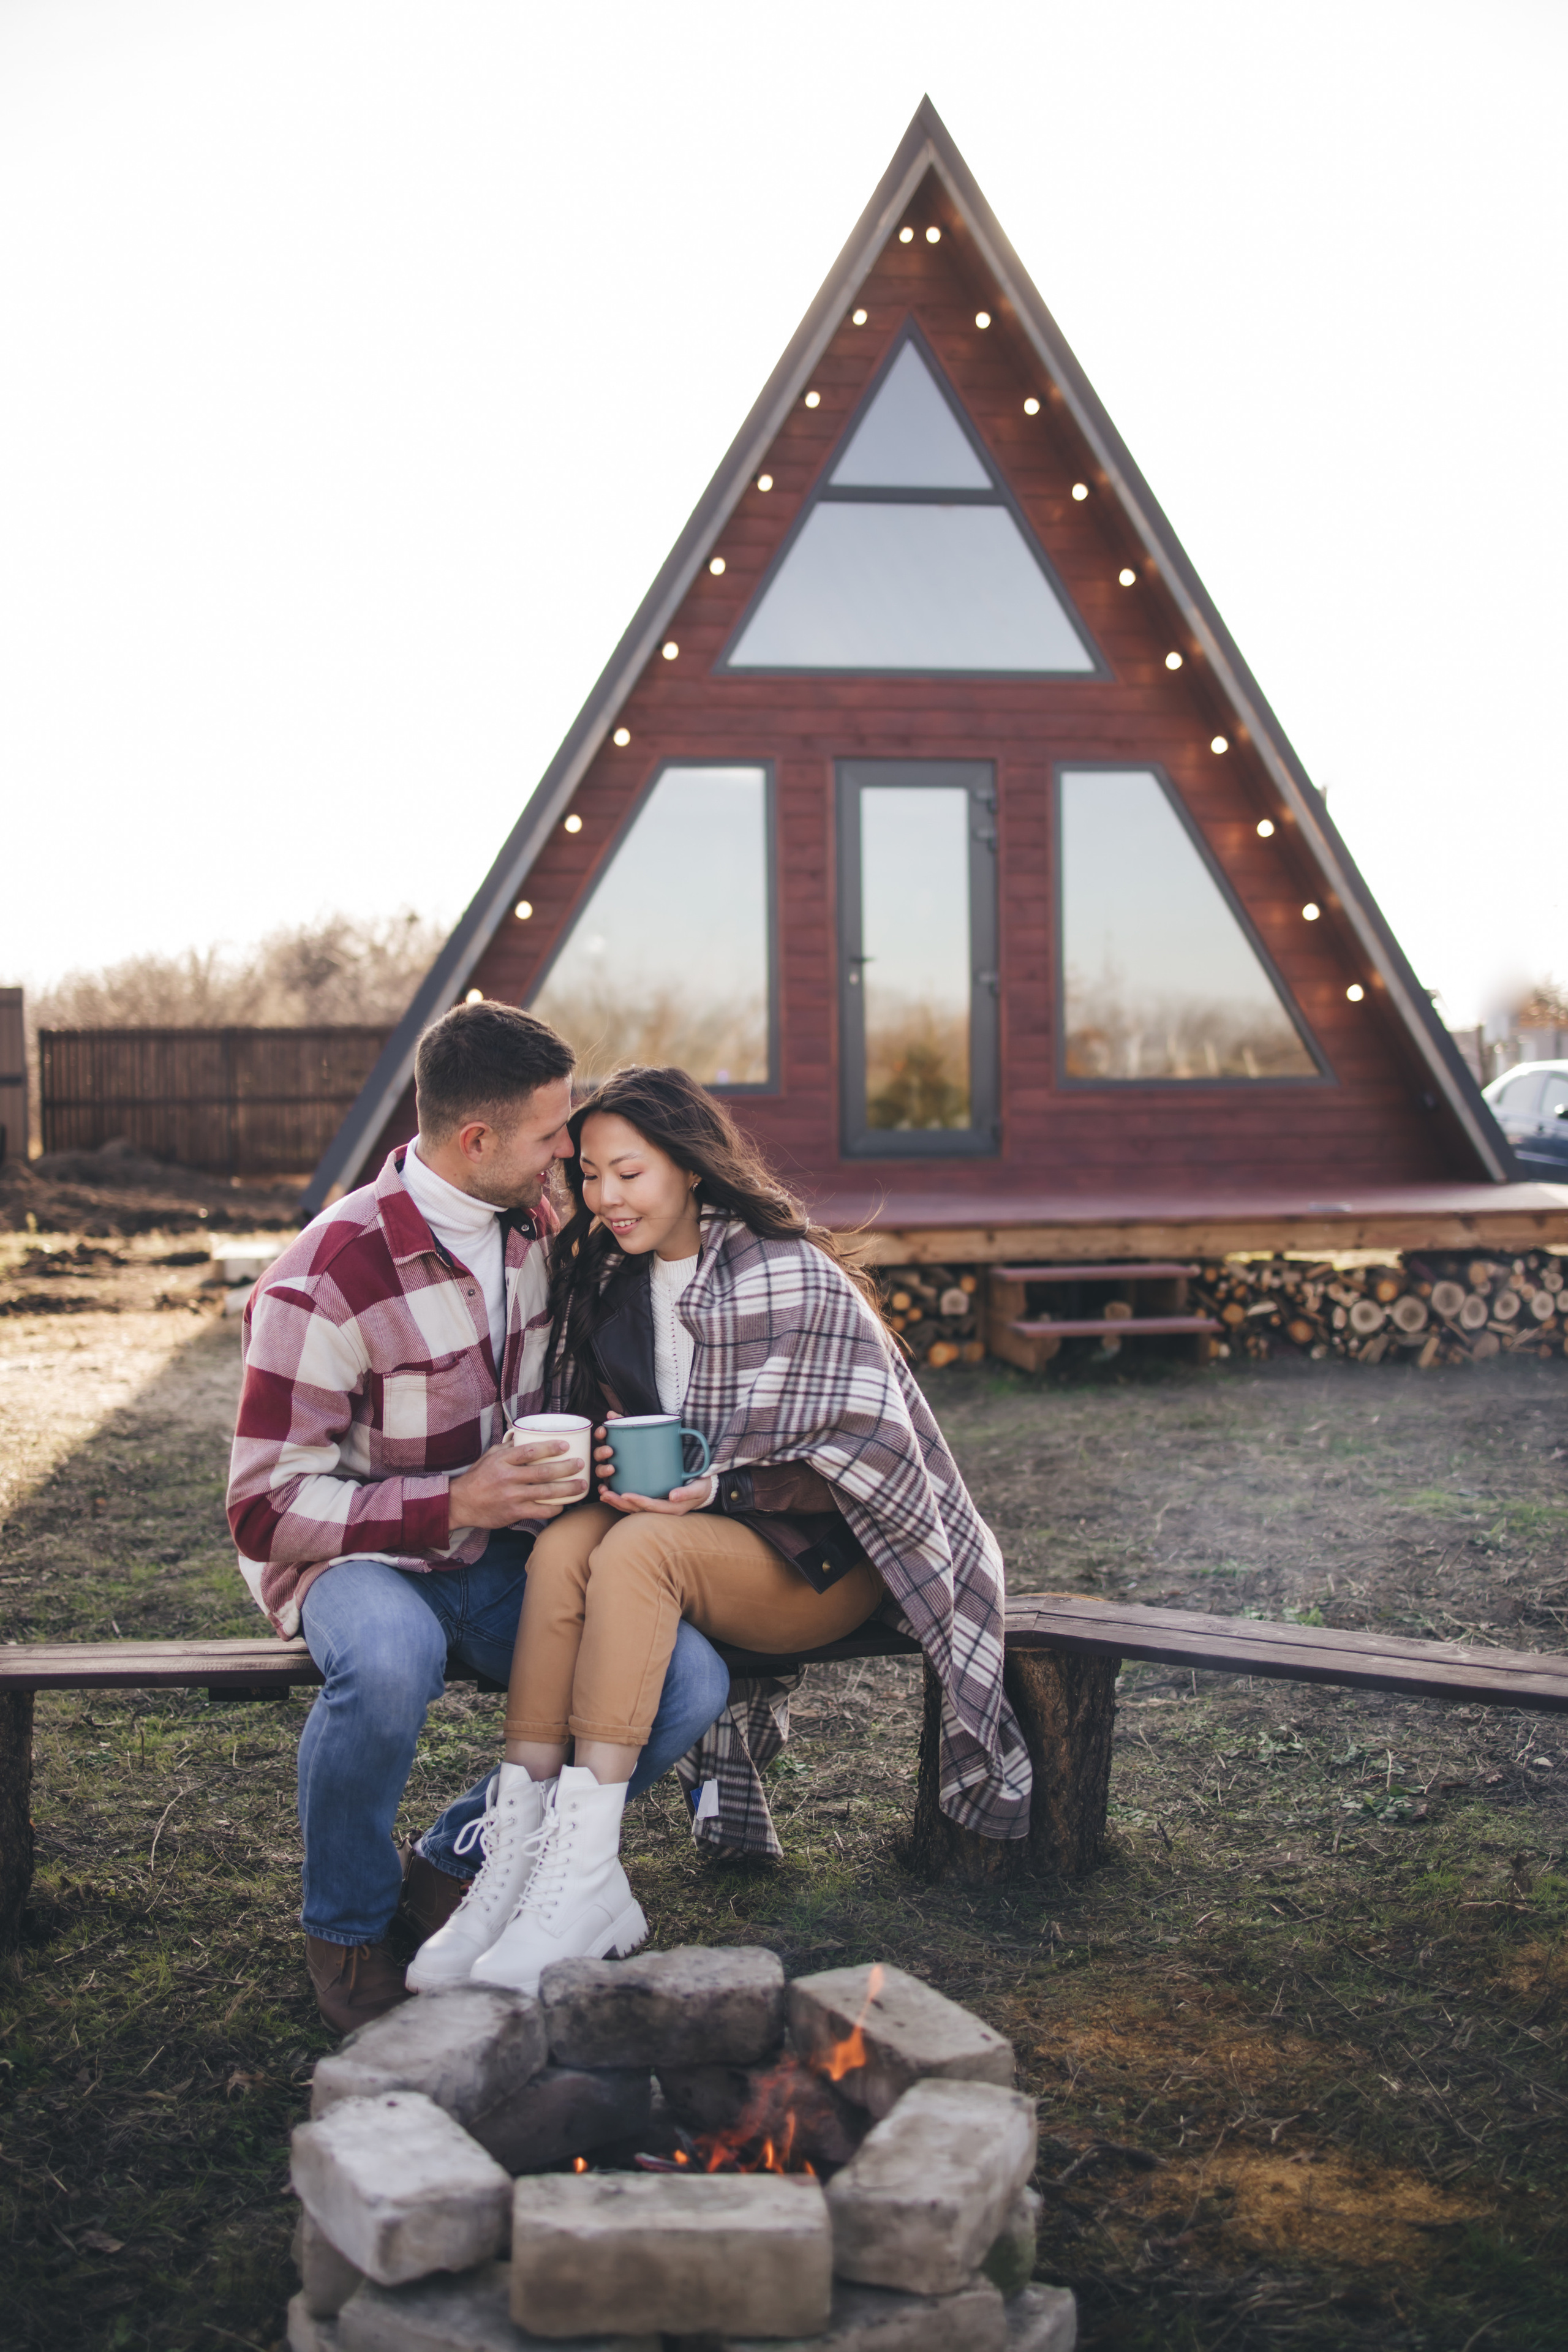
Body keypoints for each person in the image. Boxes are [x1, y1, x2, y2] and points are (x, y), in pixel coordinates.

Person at [409, 1065, 1031, 1998]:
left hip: (825, 1560)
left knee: (639, 1548)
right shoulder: (608, 1280)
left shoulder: (790, 1276)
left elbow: (870, 1461)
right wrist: (604, 1469)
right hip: (694, 1542)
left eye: (630, 1172)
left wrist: (721, 1493)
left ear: (691, 1168)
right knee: (571, 1544)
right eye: (587, 1173)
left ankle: (584, 1880)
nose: (605, 1197)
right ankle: (515, 1867)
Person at [225, 1005, 730, 2032]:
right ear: (478, 1142)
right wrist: (455, 1500)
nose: (571, 1155)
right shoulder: (321, 1280)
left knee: (687, 1681)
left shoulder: (542, 1230)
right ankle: (350, 1933)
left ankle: (459, 1865)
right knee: (390, 1658)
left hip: (505, 1558)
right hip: (355, 1560)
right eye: (554, 1138)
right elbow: (264, 1507)